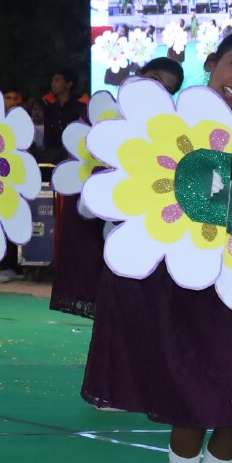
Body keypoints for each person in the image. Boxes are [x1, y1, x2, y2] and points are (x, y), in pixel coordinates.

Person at [82, 30, 232, 463]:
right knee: (194, 397)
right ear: (212, 63)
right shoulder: (164, 125)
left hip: (228, 287)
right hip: (173, 287)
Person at [49, 58, 183, 320]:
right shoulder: (104, 112)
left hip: (132, 220)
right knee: (96, 285)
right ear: (138, 74)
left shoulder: (168, 130)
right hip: (90, 212)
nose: (157, 90)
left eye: (167, 89)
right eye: (154, 79)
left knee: (128, 293)